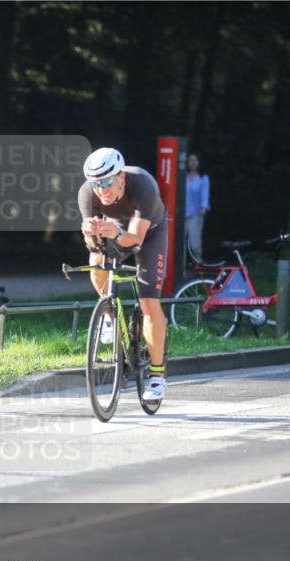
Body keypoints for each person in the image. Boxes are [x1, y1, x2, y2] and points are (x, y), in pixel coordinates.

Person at [78, 147, 168, 401]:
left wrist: (114, 233)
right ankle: (108, 312)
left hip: (149, 233)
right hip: (116, 227)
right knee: (96, 261)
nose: (102, 190)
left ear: (122, 177)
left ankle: (157, 376)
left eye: (107, 182)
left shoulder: (143, 185)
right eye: (97, 184)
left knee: (149, 302)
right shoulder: (87, 193)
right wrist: (89, 233)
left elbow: (136, 238)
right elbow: (93, 246)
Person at [184, 153, 210, 263]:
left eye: (195, 160)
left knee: (194, 244)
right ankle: (180, 269)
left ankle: (199, 264)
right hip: (182, 215)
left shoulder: (203, 179)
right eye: (190, 160)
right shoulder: (182, 178)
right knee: (180, 244)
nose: (193, 163)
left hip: (195, 215)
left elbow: (205, 195)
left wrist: (203, 208)